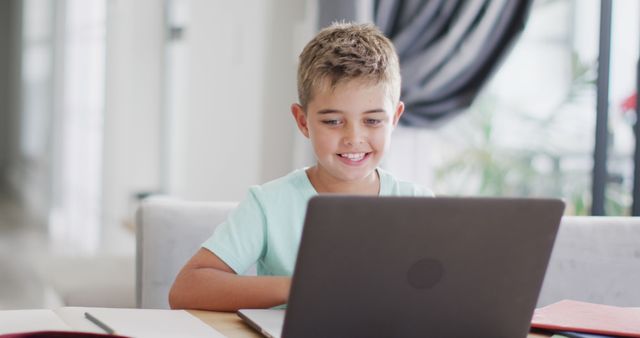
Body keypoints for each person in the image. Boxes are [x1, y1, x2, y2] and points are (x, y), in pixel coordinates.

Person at [169, 22, 433, 311]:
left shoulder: (419, 205)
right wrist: (303, 285)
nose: (353, 138)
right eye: (333, 121)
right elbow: (187, 289)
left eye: (373, 121)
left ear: (394, 118)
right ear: (303, 121)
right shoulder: (268, 206)